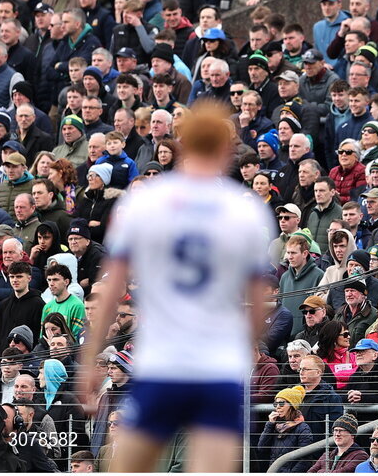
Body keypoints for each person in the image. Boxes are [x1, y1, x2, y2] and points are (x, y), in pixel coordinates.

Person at [78, 102, 275, 472]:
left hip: (163, 360)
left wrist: (90, 360)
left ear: (181, 146)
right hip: (217, 365)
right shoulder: (244, 210)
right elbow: (258, 305)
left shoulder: (147, 201)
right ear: (225, 150)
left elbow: (109, 291)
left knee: (127, 467)